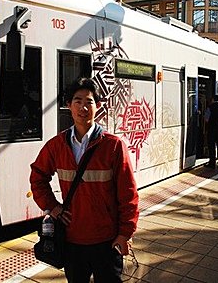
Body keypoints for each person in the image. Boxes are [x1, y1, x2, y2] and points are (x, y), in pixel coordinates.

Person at [30, 77, 139, 282]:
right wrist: (52, 207)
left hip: (107, 240)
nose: (83, 107)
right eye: (77, 101)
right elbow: (37, 177)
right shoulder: (56, 145)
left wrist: (125, 233)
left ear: (98, 106)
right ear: (69, 106)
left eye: (89, 102)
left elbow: (128, 194)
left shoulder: (114, 146)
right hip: (72, 241)